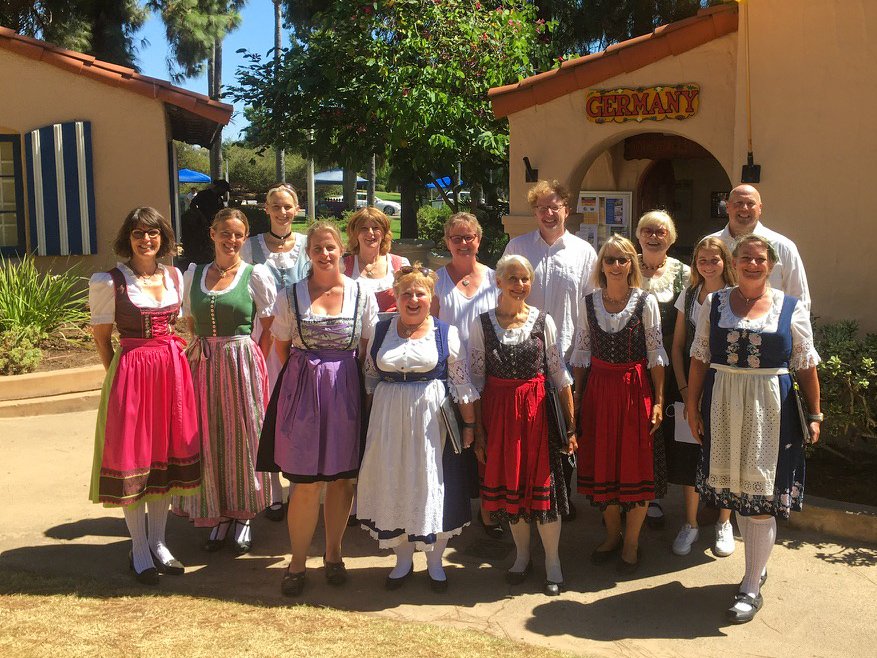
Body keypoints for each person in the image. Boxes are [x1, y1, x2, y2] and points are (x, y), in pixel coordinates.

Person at [686, 234, 821, 623]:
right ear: (735, 260)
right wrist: (692, 407)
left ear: (771, 264)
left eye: (759, 259)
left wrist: (815, 413)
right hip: (722, 402)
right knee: (738, 489)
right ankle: (756, 566)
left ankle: (750, 585)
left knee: (759, 497)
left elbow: (806, 363)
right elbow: (699, 356)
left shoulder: (789, 307)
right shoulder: (714, 302)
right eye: (745, 257)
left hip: (770, 407)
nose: (752, 264)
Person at [257, 221, 377, 597]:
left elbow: (367, 347)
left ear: (343, 249)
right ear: (309, 254)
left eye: (331, 247)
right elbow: (282, 346)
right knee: (305, 484)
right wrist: (309, 375)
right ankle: (296, 561)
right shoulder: (290, 295)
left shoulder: (362, 293)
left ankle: (334, 554)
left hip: (346, 391)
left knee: (341, 481)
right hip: (303, 392)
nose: (325, 254)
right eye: (317, 249)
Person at [88, 207, 200, 585]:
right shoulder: (110, 281)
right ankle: (138, 548)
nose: (146, 240)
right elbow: (103, 339)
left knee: (163, 459)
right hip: (132, 374)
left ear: (163, 238)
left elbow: (186, 324)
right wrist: (118, 379)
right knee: (134, 460)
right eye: (138, 233)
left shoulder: (174, 276)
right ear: (128, 238)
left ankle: (159, 541)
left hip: (171, 373)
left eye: (153, 233)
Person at [357, 265, 478, 593]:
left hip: (432, 424)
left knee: (430, 484)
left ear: (431, 297)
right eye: (406, 293)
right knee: (393, 481)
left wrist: (468, 425)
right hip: (388, 422)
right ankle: (403, 559)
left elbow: (461, 383)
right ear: (395, 296)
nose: (413, 299)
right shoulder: (381, 332)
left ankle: (435, 561)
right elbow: (370, 379)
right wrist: (368, 426)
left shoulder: (445, 333)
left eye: (420, 293)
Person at [469, 255, 576, 596]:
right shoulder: (482, 323)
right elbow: (475, 378)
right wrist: (479, 430)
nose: (519, 285)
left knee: (545, 492)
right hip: (499, 417)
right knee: (513, 488)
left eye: (525, 279)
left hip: (538, 416)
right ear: (498, 282)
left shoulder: (544, 322)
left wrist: (571, 426)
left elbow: (559, 373)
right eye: (512, 278)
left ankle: (553, 562)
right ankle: (522, 556)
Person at [172, 209, 276, 554]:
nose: (231, 241)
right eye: (225, 234)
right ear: (212, 234)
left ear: (245, 239)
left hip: (241, 361)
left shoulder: (254, 274)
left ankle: (244, 513)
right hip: (203, 363)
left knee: (243, 436)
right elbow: (189, 319)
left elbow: (270, 326)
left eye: (238, 235)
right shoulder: (194, 274)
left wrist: (251, 357)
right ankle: (218, 513)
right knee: (210, 435)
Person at [502, 179, 598, 520]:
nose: (548, 213)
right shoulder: (517, 246)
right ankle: (528, 495)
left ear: (567, 210)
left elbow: (590, 305)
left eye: (554, 206)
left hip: (569, 351)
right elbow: (503, 293)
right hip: (524, 351)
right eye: (541, 207)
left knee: (565, 426)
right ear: (534, 212)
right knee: (529, 427)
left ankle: (561, 497)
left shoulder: (584, 252)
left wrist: (586, 351)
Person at [572, 235, 666, 574]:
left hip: (633, 390)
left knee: (635, 466)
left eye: (622, 260)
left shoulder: (645, 302)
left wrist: (658, 400)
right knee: (603, 468)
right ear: (601, 265)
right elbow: (581, 355)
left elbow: (656, 356)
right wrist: (577, 400)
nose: (615, 265)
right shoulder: (588, 302)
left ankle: (631, 543)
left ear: (632, 265)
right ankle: (612, 535)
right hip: (598, 390)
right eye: (609, 260)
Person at [241, 182, 310, 521]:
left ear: (296, 209)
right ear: (266, 210)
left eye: (288, 206)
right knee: (265, 411)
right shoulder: (250, 248)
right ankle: (272, 491)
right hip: (265, 338)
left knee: (299, 412)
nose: (282, 212)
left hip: (301, 340)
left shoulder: (310, 246)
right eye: (276, 206)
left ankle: (300, 483)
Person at [431, 212, 499, 539]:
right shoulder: (436, 282)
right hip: (448, 381)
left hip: (490, 375)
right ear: (447, 242)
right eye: (456, 238)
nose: (462, 243)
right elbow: (426, 330)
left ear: (479, 239)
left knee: (487, 445)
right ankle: (453, 514)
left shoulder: (495, 279)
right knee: (454, 450)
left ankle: (489, 512)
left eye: (468, 237)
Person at [669, 236, 737, 557]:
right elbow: (678, 345)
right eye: (702, 260)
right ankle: (691, 523)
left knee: (724, 454)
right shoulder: (689, 295)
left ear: (725, 261)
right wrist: (684, 390)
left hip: (726, 389)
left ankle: (724, 521)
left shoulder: (735, 298)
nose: (708, 265)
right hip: (690, 389)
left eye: (714, 259)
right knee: (689, 456)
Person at [636, 210, 689, 529]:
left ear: (671, 237)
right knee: (635, 423)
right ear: (639, 235)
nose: (654, 236)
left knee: (664, 426)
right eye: (647, 230)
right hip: (629, 357)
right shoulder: (626, 267)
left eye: (660, 231)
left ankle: (655, 493)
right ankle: (631, 489)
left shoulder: (683, 273)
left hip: (670, 359)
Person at [709, 184, 810, 309]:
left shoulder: (783, 247)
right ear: (728, 206)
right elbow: (696, 291)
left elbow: (800, 300)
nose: (744, 208)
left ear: (760, 208)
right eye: (738, 203)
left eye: (750, 203)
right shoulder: (710, 244)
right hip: (717, 326)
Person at [343, 206, 410, 312]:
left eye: (375, 228)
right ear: (355, 234)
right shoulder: (343, 267)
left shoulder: (401, 265)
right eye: (363, 228)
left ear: (383, 233)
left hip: (391, 327)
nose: (370, 233)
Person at [183, 180, 231, 265]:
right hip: (200, 226)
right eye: (224, 190)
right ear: (219, 188)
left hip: (213, 226)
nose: (224, 193)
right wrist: (201, 217)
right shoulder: (204, 194)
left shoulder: (219, 199)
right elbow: (192, 205)